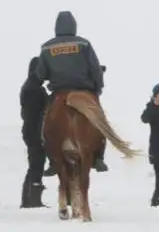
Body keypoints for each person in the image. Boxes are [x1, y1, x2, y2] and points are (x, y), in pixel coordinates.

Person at [36, 11, 109, 172]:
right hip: (84, 90)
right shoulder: (84, 44)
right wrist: (98, 87)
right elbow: (94, 69)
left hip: (59, 91)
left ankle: (52, 161)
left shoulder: (46, 47)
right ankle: (98, 157)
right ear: (74, 26)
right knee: (99, 120)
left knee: (45, 123)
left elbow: (40, 73)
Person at [19, 57, 49, 208]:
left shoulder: (31, 86)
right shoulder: (34, 89)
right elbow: (35, 113)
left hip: (31, 130)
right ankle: (31, 199)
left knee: (36, 163)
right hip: (34, 131)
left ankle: (30, 199)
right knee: (36, 164)